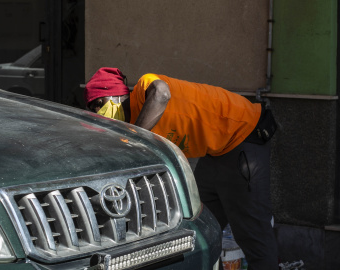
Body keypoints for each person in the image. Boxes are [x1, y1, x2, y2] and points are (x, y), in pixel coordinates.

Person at [84, 67, 278, 270]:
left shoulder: (144, 89)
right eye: (93, 108)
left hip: (244, 135)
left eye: (99, 103)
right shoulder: (132, 126)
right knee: (200, 226)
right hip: (215, 152)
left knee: (254, 235)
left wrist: (136, 138)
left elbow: (162, 93)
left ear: (116, 94)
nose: (99, 112)